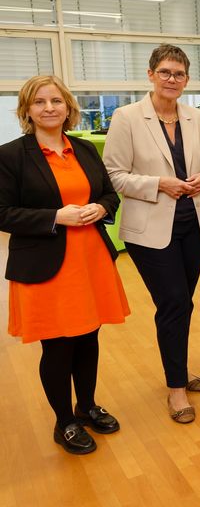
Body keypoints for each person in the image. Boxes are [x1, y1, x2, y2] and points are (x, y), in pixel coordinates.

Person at [0, 75, 129, 454]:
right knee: (58, 347)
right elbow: (3, 213)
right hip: (45, 265)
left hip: (90, 259)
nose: (49, 108)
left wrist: (101, 207)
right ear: (27, 111)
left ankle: (86, 407)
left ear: (68, 107)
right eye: (39, 102)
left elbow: (109, 193)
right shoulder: (10, 156)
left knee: (88, 338)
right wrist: (56, 217)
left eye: (56, 100)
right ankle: (65, 422)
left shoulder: (85, 149)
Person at [103, 44, 200, 423]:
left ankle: (178, 369)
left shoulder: (195, 117)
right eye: (166, 72)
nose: (173, 80)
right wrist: (160, 184)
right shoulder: (127, 117)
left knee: (182, 303)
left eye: (180, 74)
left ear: (187, 80)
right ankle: (175, 390)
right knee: (173, 302)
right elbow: (114, 174)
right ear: (151, 74)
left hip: (195, 224)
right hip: (151, 230)